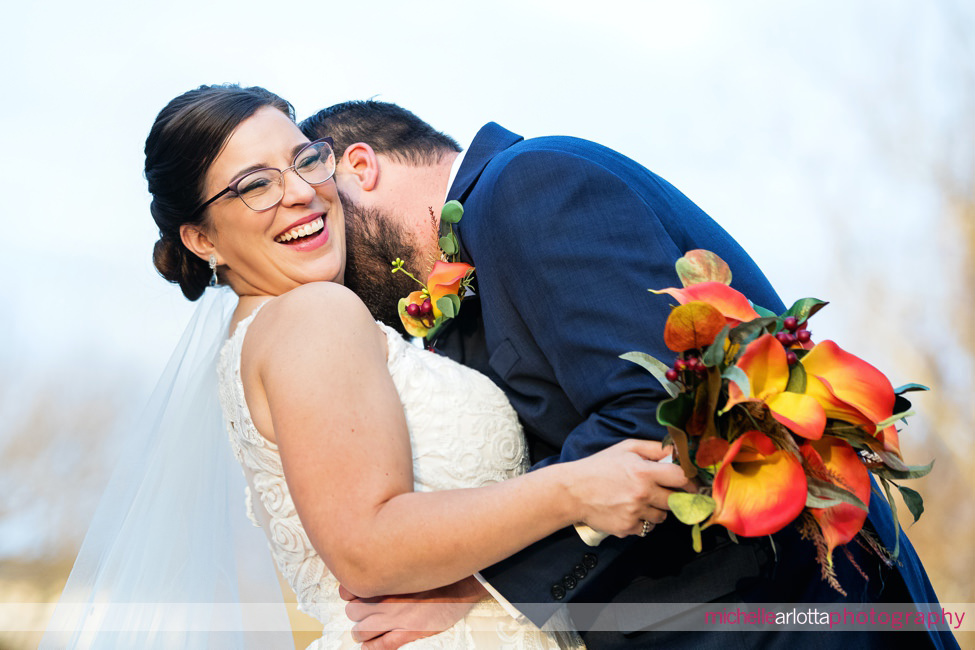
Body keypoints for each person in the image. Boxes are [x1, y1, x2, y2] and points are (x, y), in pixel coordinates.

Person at [44, 84, 699, 650]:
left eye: (304, 161)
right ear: (201, 237)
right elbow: (366, 547)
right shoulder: (315, 315)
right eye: (254, 185)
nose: (299, 193)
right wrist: (569, 490)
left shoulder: (266, 334)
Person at [299, 102, 959, 650]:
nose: (338, 270)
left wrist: (480, 582)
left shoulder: (530, 185)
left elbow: (657, 408)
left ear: (360, 165)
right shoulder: (461, 296)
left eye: (331, 228)